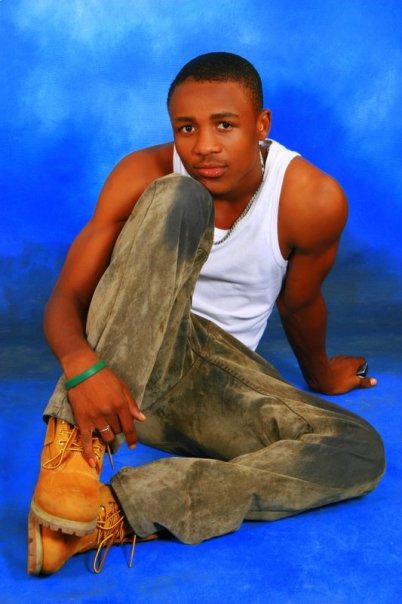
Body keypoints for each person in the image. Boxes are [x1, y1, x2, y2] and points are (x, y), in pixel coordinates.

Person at [27, 52, 385, 576]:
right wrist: (83, 367)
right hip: (116, 380)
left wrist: (321, 374)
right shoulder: (143, 173)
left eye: (225, 125)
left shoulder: (310, 197)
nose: (204, 146)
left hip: (216, 385)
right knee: (181, 197)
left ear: (261, 125)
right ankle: (71, 462)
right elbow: (66, 299)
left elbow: (299, 302)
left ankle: (108, 514)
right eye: (186, 128)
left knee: (358, 449)